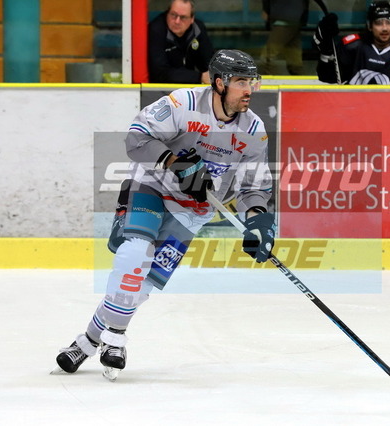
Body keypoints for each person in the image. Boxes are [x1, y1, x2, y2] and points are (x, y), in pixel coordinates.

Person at [55, 50, 275, 380]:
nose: (249, 90)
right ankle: (116, 338)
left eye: (252, 82)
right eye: (241, 82)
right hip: (152, 186)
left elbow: (253, 186)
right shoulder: (183, 103)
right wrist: (176, 163)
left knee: (140, 287)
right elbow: (137, 137)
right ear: (219, 83)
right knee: (135, 254)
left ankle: (87, 341)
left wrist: (257, 221)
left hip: (193, 211)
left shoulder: (253, 130)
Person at [313, 1, 390, 85]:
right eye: (378, 23)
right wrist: (326, 50)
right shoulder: (352, 47)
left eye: (389, 22)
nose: (385, 28)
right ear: (369, 26)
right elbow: (326, 77)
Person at [148, 0, 215, 84]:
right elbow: (160, 73)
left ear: (192, 19)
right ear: (167, 13)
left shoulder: (197, 29)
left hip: (189, 87)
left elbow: (209, 64)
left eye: (183, 17)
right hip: (160, 88)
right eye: (173, 15)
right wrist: (199, 77)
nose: (177, 21)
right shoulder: (156, 30)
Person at [260, 0, 309, 75]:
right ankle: (303, 81)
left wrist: (266, 9)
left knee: (267, 57)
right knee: (294, 62)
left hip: (283, 18)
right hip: (295, 19)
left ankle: (271, 80)